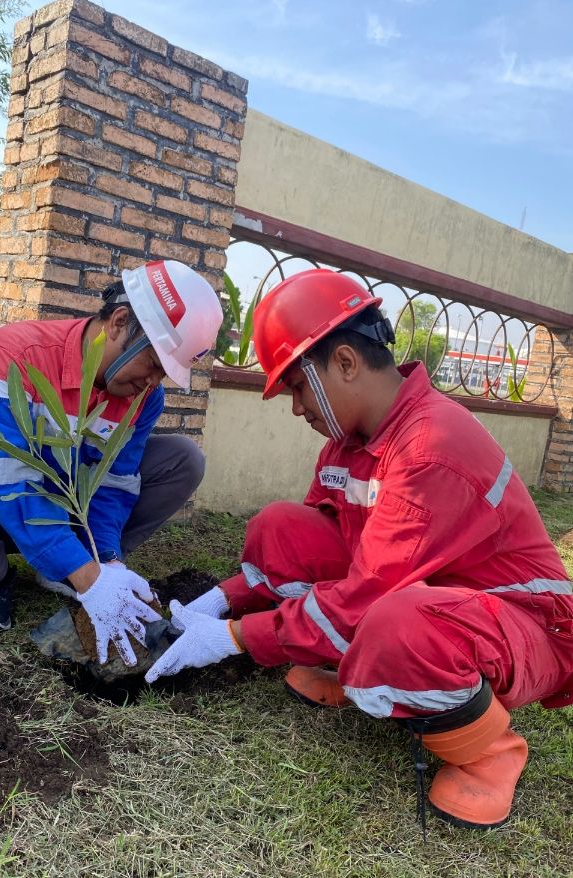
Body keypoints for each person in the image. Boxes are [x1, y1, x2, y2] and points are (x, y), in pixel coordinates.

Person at [144, 268, 573, 830]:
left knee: (399, 624)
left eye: (297, 386)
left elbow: (362, 595)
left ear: (344, 362)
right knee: (280, 526)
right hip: (433, 595)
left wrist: (233, 638)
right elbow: (314, 551)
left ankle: (492, 753)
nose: (297, 408)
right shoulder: (350, 445)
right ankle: (356, 671)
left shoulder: (430, 447)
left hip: (522, 624)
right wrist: (220, 601)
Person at [0, 260, 223, 666]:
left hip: (68, 514)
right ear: (119, 322)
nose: (153, 383)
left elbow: (114, 484)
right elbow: (13, 478)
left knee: (184, 458)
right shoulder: (12, 355)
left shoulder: (143, 398)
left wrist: (104, 562)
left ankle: (75, 568)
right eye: (154, 364)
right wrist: (87, 579)